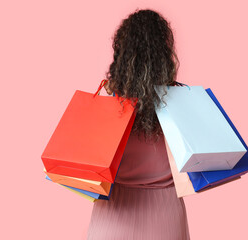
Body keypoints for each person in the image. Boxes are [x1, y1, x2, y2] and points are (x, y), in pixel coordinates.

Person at [87, 9, 190, 239]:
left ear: (122, 53)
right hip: (166, 210)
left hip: (113, 211)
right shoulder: (182, 99)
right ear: (164, 52)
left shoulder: (107, 98)